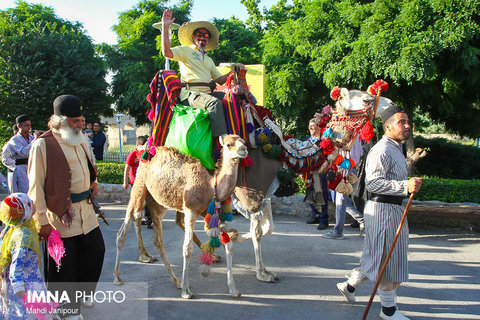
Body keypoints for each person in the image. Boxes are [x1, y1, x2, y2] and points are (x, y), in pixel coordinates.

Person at [336, 105, 422, 320]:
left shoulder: (396, 148)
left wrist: (407, 185)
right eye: (402, 122)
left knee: (378, 256)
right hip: (382, 209)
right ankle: (388, 311)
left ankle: (349, 286)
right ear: (388, 126)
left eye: (407, 122)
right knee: (385, 259)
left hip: (393, 209)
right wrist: (404, 187)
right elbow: (373, 183)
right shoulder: (382, 149)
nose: (407, 126)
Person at [28, 94, 105, 320]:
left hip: (87, 213)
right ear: (60, 120)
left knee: (95, 253)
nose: (82, 124)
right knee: (64, 267)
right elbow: (35, 188)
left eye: (82, 119)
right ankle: (66, 311)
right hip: (59, 218)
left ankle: (81, 296)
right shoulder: (43, 144)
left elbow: (89, 166)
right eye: (76, 120)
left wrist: (94, 183)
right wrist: (41, 222)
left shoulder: (80, 138)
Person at [160, 9, 230, 137]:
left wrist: (234, 71)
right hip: (191, 94)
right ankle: (223, 141)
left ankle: (243, 134)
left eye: (206, 35)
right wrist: (165, 27)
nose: (202, 37)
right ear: (193, 37)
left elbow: (220, 80)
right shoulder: (186, 50)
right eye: (199, 34)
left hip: (207, 94)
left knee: (234, 98)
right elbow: (167, 52)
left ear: (208, 40)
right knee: (213, 103)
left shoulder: (209, 60)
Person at [0, 193, 55, 320]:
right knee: (26, 313)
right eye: (30, 203)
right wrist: (18, 286)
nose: (34, 205)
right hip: (26, 283)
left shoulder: (13, 228)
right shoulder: (23, 236)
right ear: (25, 210)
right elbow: (16, 264)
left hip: (15, 281)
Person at [323, 135, 365, 239]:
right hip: (345, 168)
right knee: (340, 200)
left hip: (345, 169)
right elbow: (359, 153)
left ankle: (338, 231)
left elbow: (352, 153)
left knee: (340, 201)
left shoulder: (348, 133)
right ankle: (362, 220)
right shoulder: (355, 133)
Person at [303, 119, 329, 230]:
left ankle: (324, 219)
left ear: (319, 127)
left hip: (320, 172)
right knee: (309, 193)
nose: (311, 128)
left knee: (322, 195)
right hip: (309, 172)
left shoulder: (324, 140)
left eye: (313, 125)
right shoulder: (307, 140)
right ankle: (315, 215)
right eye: (310, 126)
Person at [122, 136, 152, 228]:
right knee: (136, 200)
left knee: (146, 201)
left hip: (144, 182)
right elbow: (127, 168)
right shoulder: (133, 154)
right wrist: (125, 181)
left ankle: (149, 220)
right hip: (134, 182)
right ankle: (134, 217)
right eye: (141, 147)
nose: (142, 149)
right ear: (137, 145)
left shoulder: (146, 154)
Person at [1, 115, 35, 194]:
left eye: (30, 125)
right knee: (24, 192)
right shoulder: (14, 140)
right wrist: (15, 166)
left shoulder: (32, 138)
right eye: (26, 125)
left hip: (32, 167)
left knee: (33, 191)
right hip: (20, 169)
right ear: (19, 126)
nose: (29, 128)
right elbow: (23, 153)